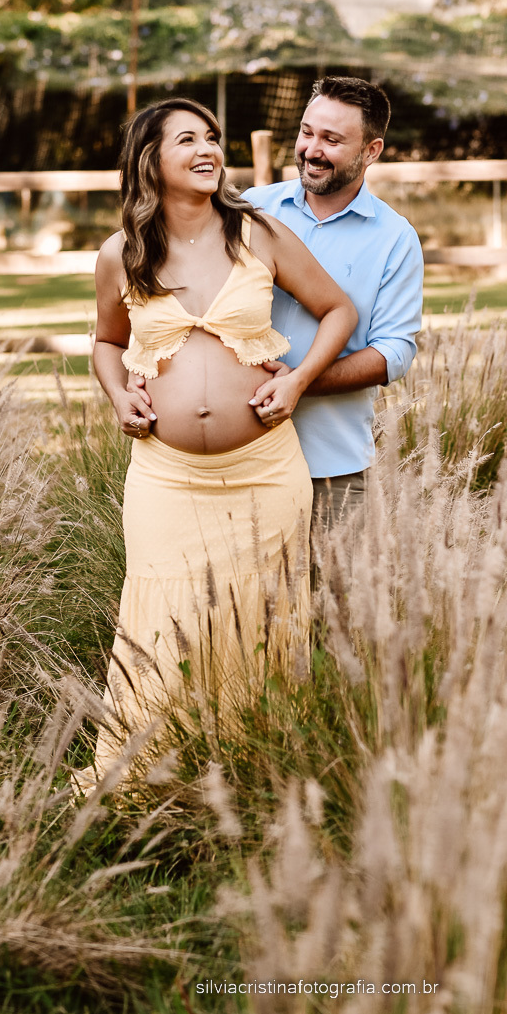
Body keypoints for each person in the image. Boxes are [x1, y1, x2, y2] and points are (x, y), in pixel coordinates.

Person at [89, 96, 356, 773]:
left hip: (265, 470)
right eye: (188, 140)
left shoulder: (255, 233)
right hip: (165, 477)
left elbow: (337, 311)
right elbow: (104, 341)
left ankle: (250, 772)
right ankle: (148, 780)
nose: (208, 149)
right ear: (151, 161)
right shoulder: (121, 254)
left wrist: (295, 383)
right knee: (160, 618)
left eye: (212, 138)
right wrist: (120, 393)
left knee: (259, 619)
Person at [128, 76, 424, 530]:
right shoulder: (249, 210)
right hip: (233, 463)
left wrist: (299, 382)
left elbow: (394, 353)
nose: (312, 149)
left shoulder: (394, 238)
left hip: (330, 461)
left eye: (332, 139)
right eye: (307, 132)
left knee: (330, 600)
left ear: (372, 151)